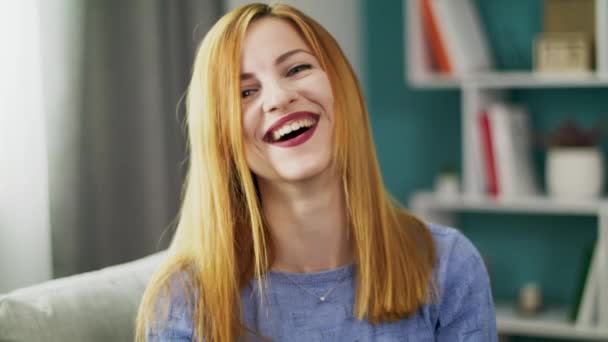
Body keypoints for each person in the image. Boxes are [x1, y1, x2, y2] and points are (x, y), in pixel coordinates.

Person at [135, 2, 497, 341]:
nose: (279, 98)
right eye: (245, 92)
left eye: (297, 68)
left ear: (342, 86)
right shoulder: (183, 299)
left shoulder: (449, 264)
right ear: (220, 136)